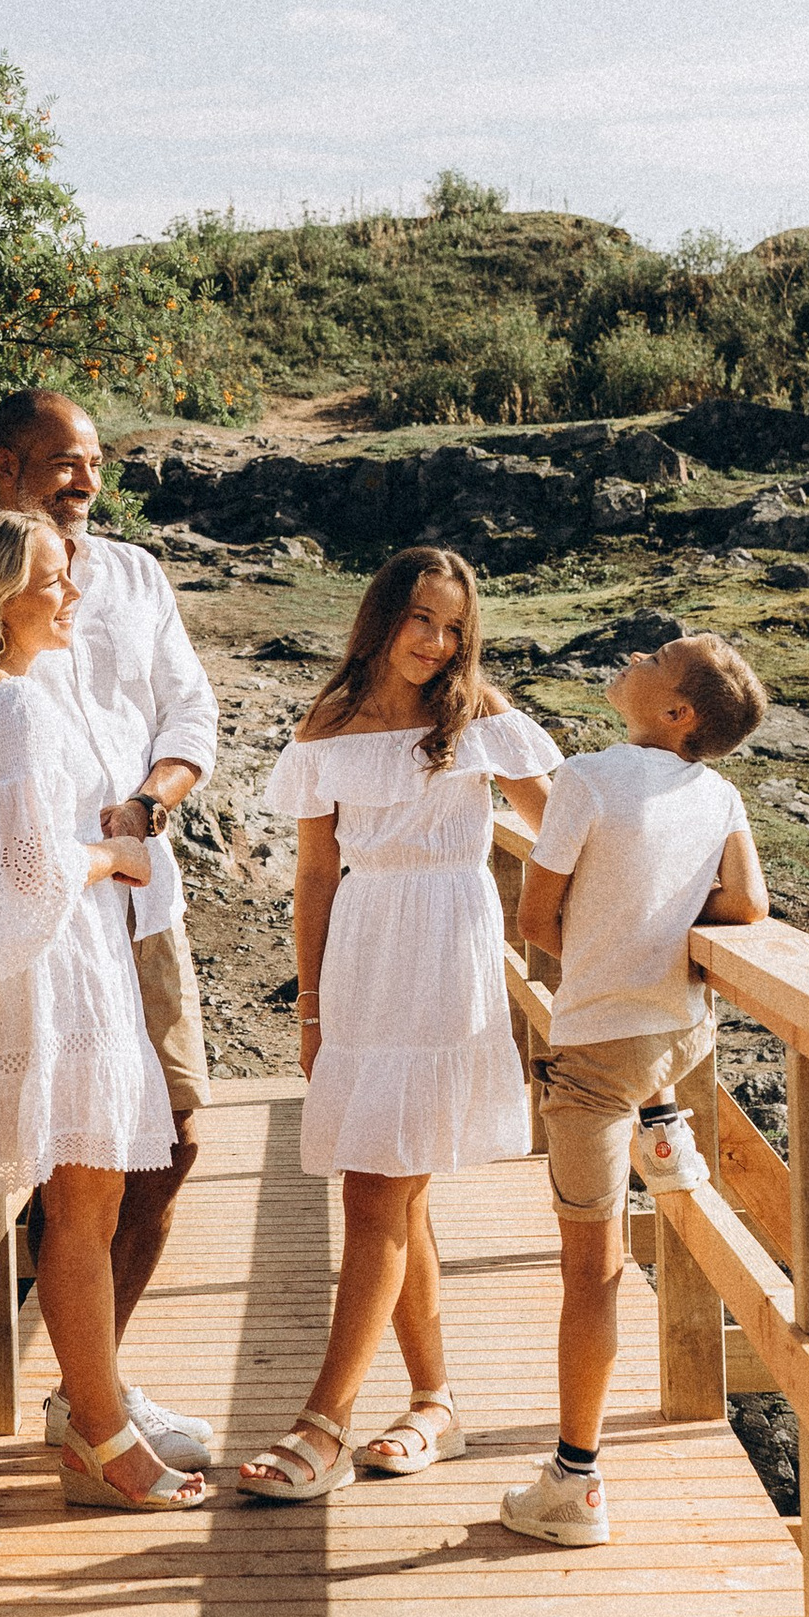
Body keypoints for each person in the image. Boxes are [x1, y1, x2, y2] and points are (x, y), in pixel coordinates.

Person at [0, 388, 221, 1472]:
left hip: (142, 913)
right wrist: (6, 850)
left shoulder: (129, 578)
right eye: (61, 461)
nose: (85, 479)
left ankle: (94, 1389)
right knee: (68, 1158)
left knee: (167, 1142)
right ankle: (89, 1410)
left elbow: (189, 715)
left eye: (95, 460)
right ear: (3, 469)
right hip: (47, 928)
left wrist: (151, 808)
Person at [238, 546, 559, 1501]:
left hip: (446, 953)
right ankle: (434, 1406)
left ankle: (322, 1425)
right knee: (396, 1187)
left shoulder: (480, 715)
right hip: (364, 957)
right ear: (383, 615)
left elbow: (564, 821)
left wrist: (662, 884)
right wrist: (309, 1003)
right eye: (422, 618)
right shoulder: (328, 722)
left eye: (455, 627)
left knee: (376, 1191)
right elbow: (311, 874)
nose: (436, 642)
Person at [499, 633, 773, 1549]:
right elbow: (748, 907)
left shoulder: (588, 778)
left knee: (593, 1279)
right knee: (653, 1076)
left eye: (657, 655)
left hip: (596, 1055)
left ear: (675, 711)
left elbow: (536, 921)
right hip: (681, 1034)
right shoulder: (720, 791)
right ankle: (666, 1121)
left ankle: (574, 1483)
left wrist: (609, 947)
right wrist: (665, 924)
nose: (637, 653)